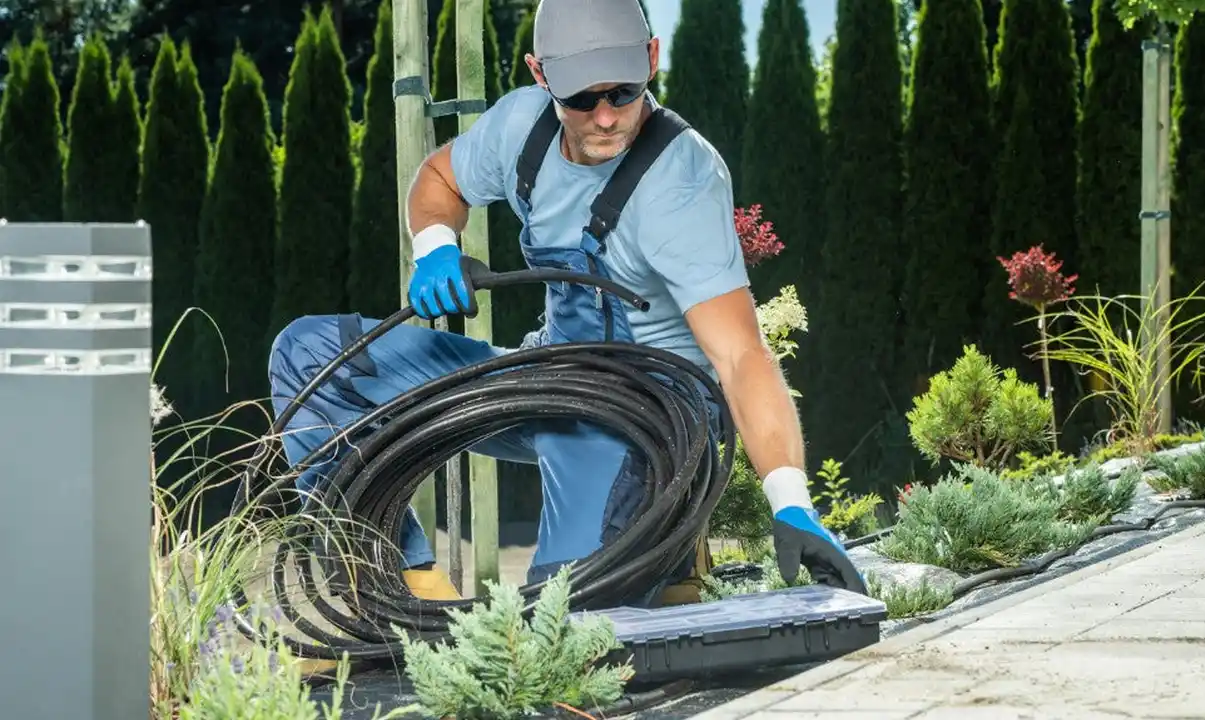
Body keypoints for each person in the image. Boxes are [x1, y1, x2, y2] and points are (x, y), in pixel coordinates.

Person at [267, 0, 867, 605]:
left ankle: (661, 562)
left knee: (565, 610)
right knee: (312, 355)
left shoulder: (682, 181)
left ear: (652, 59)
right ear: (540, 75)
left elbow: (741, 356)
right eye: (582, 98)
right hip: (550, 372)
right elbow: (439, 179)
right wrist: (435, 246)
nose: (606, 117)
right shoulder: (520, 128)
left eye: (624, 91)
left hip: (647, 416)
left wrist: (791, 501)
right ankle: (401, 586)